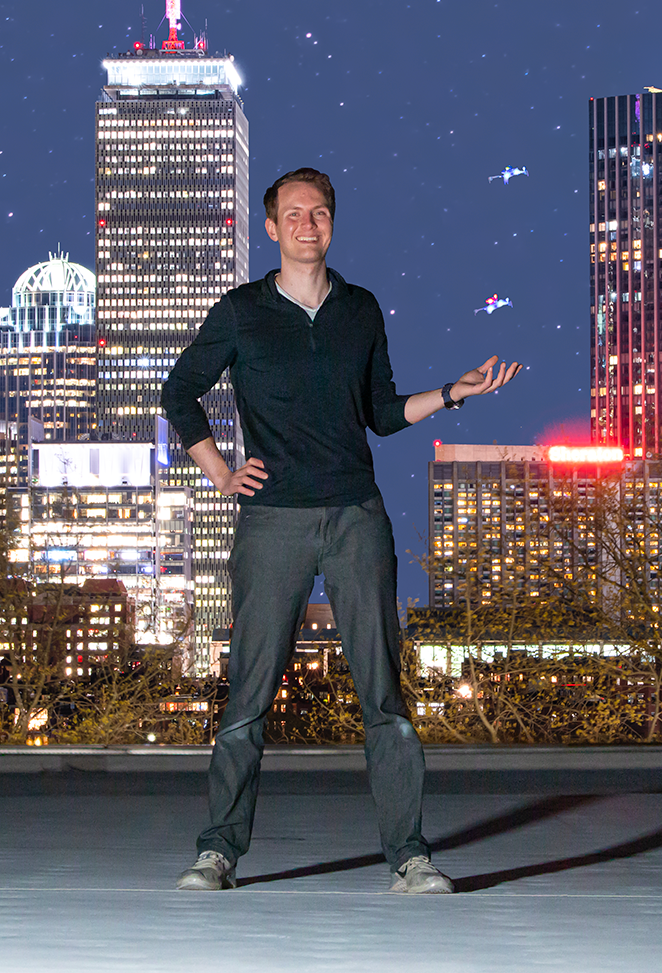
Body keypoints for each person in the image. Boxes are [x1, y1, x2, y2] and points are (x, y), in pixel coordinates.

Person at [161, 167, 520, 895]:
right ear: (270, 228)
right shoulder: (241, 311)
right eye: (292, 214)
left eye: (318, 212)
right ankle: (218, 852)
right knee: (247, 697)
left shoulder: (360, 308)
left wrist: (453, 392)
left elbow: (382, 414)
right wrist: (220, 473)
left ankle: (409, 857)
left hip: (357, 517)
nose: (306, 223)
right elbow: (178, 392)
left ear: (331, 224)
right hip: (273, 523)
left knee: (383, 695)